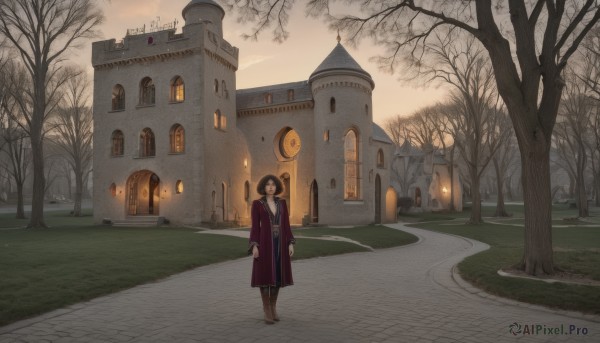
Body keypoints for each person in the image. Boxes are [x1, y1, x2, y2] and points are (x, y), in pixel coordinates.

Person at [249, 174, 295, 324]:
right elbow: (255, 226)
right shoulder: (257, 204)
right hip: (265, 243)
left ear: (277, 187)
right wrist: (255, 245)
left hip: (280, 244)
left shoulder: (282, 203)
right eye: (268, 184)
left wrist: (290, 243)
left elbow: (286, 225)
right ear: (263, 187)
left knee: (278, 275)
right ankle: (266, 309)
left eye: (273, 184)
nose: (270, 187)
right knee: (265, 274)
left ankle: (273, 307)